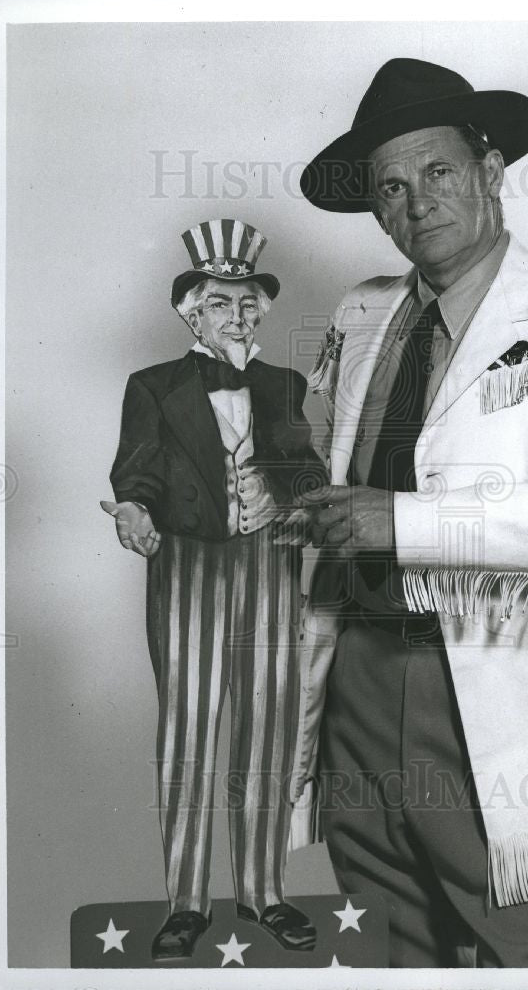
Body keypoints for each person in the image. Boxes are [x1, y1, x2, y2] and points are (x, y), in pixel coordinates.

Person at [292, 59, 528, 968]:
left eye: (437, 172)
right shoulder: (361, 315)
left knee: (523, 960)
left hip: (509, 698)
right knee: (388, 954)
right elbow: (358, 471)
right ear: (376, 211)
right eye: (392, 187)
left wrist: (410, 523)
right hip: (362, 681)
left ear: (490, 172)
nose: (417, 202)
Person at [101, 219, 326, 960]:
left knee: (266, 726)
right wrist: (132, 510)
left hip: (268, 565)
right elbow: (133, 474)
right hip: (189, 566)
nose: (237, 317)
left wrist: (284, 497)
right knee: (191, 730)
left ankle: (264, 895)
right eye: (221, 305)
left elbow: (307, 473)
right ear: (192, 314)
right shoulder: (153, 386)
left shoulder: (282, 385)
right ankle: (188, 904)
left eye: (247, 305)